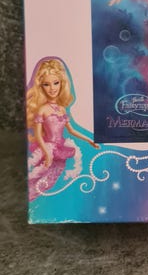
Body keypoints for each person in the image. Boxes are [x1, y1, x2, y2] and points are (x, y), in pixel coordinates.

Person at [26, 59, 99, 201]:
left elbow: (71, 130)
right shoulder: (43, 109)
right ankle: (28, 196)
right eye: (46, 84)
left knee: (50, 181)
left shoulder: (61, 109)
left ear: (61, 83)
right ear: (41, 86)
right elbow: (39, 135)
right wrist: (46, 152)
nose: (52, 88)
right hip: (48, 148)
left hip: (61, 149)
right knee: (37, 176)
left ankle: (30, 198)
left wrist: (89, 140)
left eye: (56, 83)